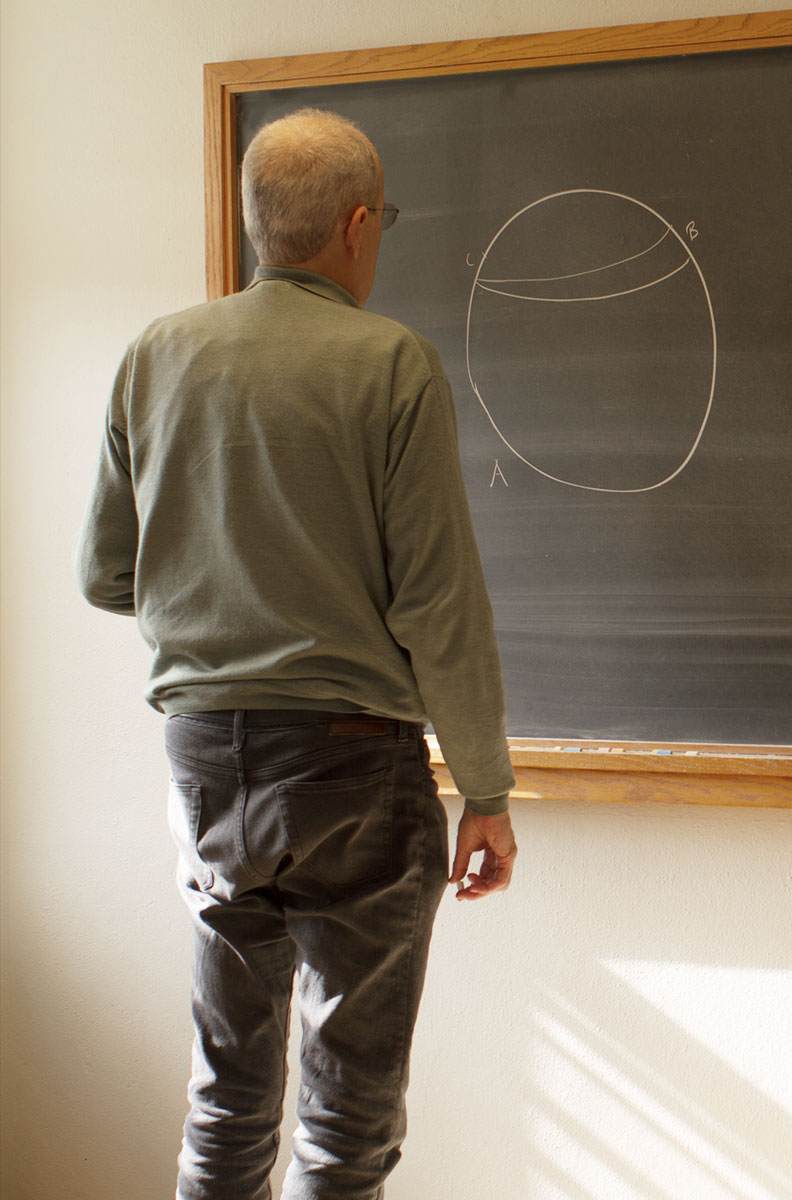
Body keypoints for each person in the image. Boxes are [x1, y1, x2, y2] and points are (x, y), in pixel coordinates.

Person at [74, 107, 517, 1200]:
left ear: (258, 223)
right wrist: (488, 791)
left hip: (203, 765)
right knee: (347, 1108)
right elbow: (439, 603)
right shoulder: (391, 365)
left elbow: (103, 574)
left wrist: (217, 593)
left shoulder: (157, 355)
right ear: (359, 225)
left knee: (226, 1098)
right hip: (349, 764)